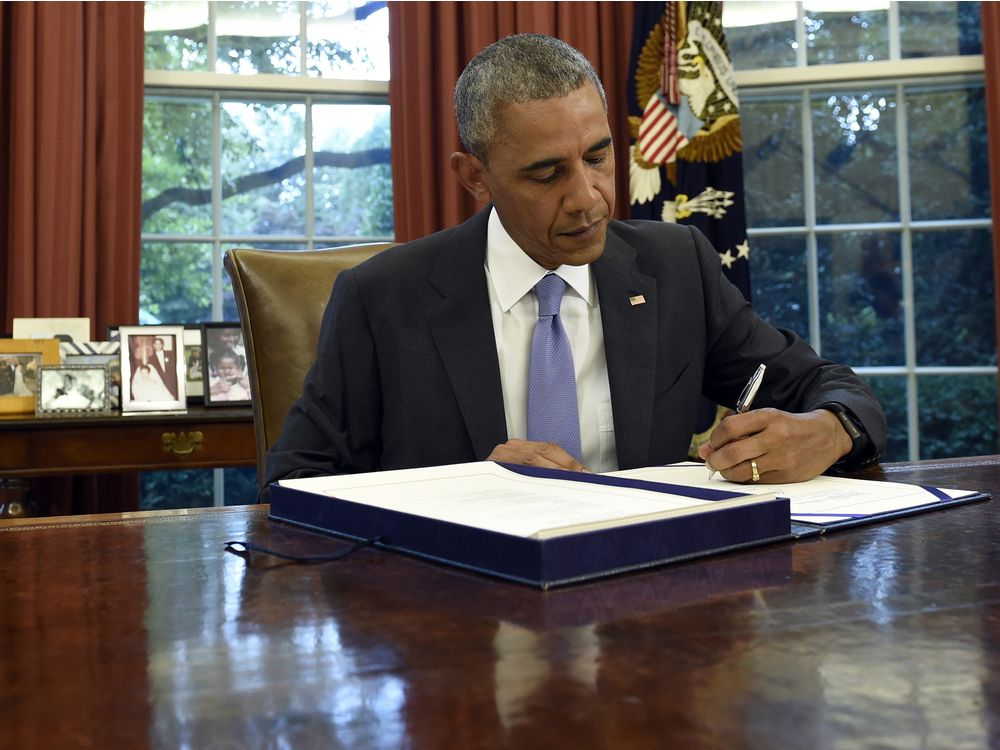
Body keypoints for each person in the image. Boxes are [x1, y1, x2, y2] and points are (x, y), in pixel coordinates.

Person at [263, 34, 885, 492]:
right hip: (456, 629)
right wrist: (466, 488)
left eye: (597, 156)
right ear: (473, 176)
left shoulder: (675, 265)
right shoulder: (381, 299)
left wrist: (829, 432)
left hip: (646, 614)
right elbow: (291, 486)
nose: (588, 198)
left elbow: (825, 386)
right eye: (546, 173)